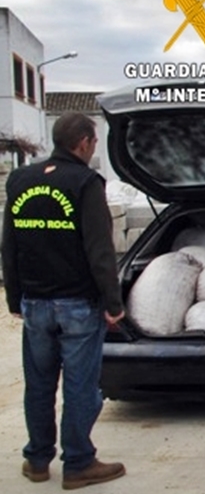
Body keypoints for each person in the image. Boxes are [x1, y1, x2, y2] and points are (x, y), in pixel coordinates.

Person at [3, 112, 127, 489]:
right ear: (86, 143)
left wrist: (14, 297)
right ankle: (78, 463)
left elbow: (9, 243)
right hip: (77, 305)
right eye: (92, 144)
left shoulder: (21, 180)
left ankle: (37, 461)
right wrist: (113, 302)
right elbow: (99, 250)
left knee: (39, 383)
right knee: (80, 385)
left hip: (35, 303)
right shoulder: (86, 183)